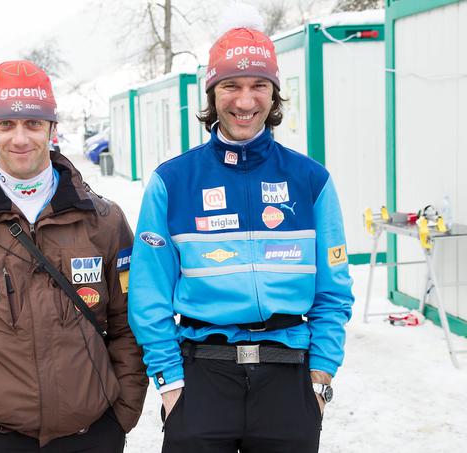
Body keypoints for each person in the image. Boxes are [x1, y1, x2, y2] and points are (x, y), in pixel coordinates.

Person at [128, 13, 354, 453]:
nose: (245, 100)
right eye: (231, 85)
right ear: (212, 93)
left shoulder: (311, 181)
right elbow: (148, 293)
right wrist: (171, 383)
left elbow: (334, 290)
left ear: (274, 95)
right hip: (201, 378)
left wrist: (320, 376)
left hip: (289, 379)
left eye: (259, 86)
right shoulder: (172, 182)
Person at [0, 60, 148, 453]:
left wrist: (120, 416)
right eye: (6, 125)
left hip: (89, 436)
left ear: (53, 130)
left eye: (33, 124)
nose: (20, 138)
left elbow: (129, 326)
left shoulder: (104, 221)